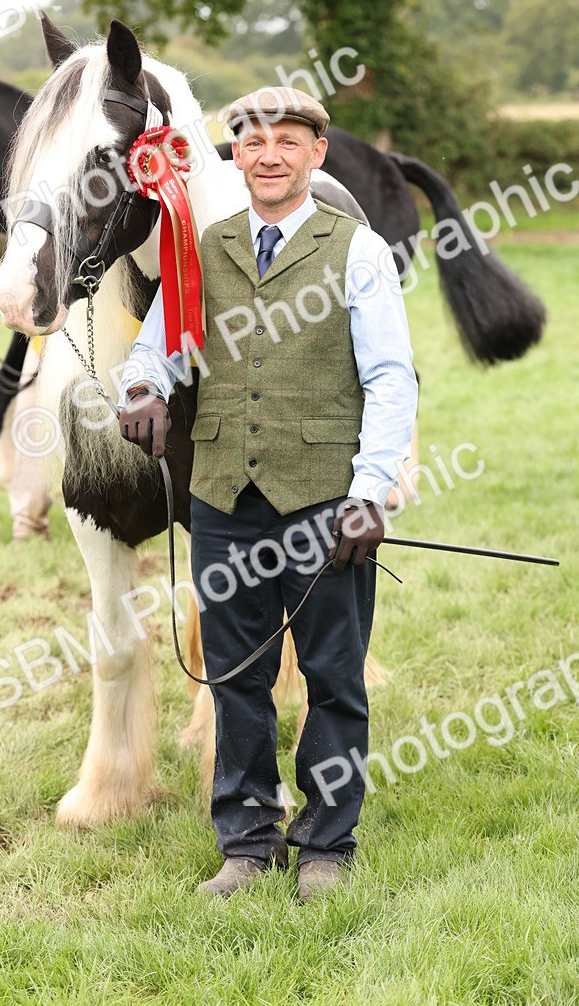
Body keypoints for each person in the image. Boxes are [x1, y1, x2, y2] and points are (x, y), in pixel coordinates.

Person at [118, 87, 418, 899]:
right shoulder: (202, 250)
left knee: (333, 676)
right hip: (221, 497)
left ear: (317, 152)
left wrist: (370, 492)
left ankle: (326, 844)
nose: (271, 155)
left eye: (289, 141)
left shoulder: (357, 250)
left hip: (326, 499)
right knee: (235, 676)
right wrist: (142, 388)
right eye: (254, 142)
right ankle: (248, 844)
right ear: (237, 156)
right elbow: (157, 347)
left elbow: (392, 379)